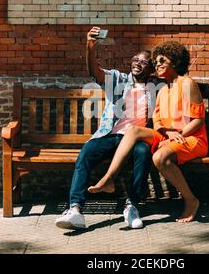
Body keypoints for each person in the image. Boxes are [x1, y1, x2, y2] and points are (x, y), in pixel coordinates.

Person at [88, 41, 208, 223]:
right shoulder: (161, 90)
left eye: (162, 61)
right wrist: (167, 133)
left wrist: (180, 134)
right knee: (134, 130)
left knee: (160, 158)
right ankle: (109, 178)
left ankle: (191, 200)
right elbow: (158, 121)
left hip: (191, 137)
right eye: (156, 62)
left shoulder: (187, 83)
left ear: (174, 63)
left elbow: (198, 120)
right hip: (168, 135)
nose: (157, 65)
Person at [55, 27, 157, 230]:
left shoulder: (157, 87)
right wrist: (90, 47)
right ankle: (75, 209)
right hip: (111, 135)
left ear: (151, 68)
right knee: (87, 152)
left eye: (144, 62)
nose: (138, 64)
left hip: (136, 139)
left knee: (144, 153)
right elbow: (96, 72)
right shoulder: (119, 79)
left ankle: (132, 206)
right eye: (135, 60)